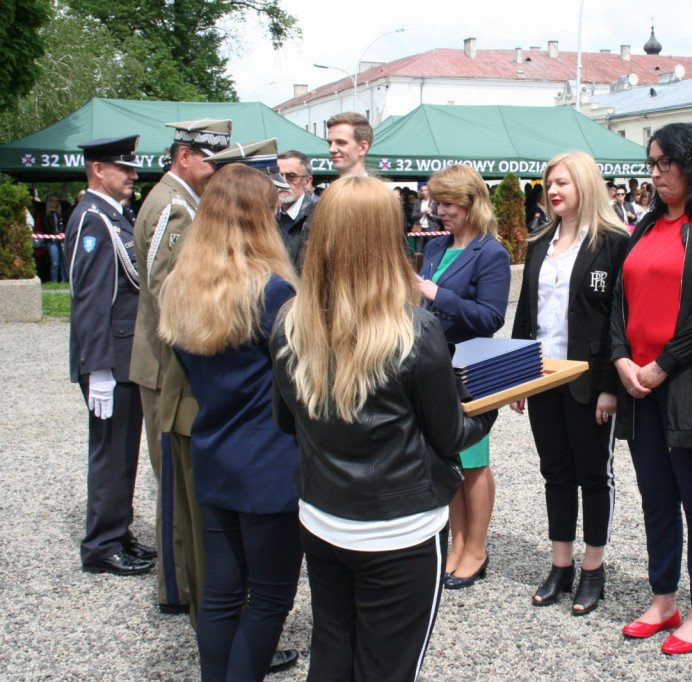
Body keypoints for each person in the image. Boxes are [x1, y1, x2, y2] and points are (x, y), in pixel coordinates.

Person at [271, 176, 497, 681]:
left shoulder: (290, 322)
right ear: (386, 240)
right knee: (389, 667)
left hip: (323, 516)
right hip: (400, 529)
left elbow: (286, 420)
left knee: (332, 650)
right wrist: (491, 402)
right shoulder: (414, 330)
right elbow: (452, 437)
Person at [158, 164, 303, 682]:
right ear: (257, 219)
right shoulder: (272, 293)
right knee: (267, 599)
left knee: (221, 594)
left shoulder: (181, 286)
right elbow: (299, 382)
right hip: (270, 464)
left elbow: (187, 369)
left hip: (214, 452)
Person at [609, 123, 692, 655]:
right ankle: (662, 598)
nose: (658, 173)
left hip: (689, 383)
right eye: (653, 163)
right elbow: (620, 299)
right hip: (639, 384)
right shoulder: (645, 225)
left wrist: (662, 364)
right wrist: (621, 359)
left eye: (667, 162)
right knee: (655, 499)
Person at [509, 152, 629, 615]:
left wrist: (609, 386)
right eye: (548, 184)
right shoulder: (541, 243)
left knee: (594, 475)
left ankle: (593, 568)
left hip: (589, 379)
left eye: (562, 183)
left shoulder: (613, 243)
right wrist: (517, 377)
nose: (553, 190)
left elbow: (617, 321)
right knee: (554, 472)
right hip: (544, 378)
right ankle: (561, 565)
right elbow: (526, 317)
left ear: (584, 184)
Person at [132, 118, 231, 619]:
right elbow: (167, 292)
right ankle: (182, 590)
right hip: (167, 368)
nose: (215, 171)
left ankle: (178, 587)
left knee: (176, 488)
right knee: (176, 490)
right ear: (184, 156)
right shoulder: (175, 207)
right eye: (210, 160)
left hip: (166, 366)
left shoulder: (180, 200)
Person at [417, 163, 511, 589]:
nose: (440, 211)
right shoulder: (436, 247)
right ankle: (457, 544)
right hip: (434, 366)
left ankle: (477, 548)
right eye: (437, 202)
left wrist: (436, 293)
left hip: (471, 369)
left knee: (473, 462)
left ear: (472, 203)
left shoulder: (492, 253)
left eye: (448, 203)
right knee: (447, 459)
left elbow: (490, 317)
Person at [65, 135, 152, 576]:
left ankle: (118, 531)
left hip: (123, 356)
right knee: (110, 454)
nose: (133, 176)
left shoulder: (114, 217)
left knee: (123, 453)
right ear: (99, 170)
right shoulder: (92, 220)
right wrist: (96, 368)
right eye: (125, 168)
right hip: (110, 361)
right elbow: (90, 300)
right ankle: (100, 545)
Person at [277, 149, 319, 273]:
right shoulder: (267, 217)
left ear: (307, 181)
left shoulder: (319, 216)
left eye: (291, 176)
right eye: (278, 176)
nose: (283, 182)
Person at [326, 112, 372, 178]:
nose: (332, 149)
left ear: (362, 148)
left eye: (340, 142)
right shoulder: (332, 188)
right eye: (330, 143)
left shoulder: (376, 188)